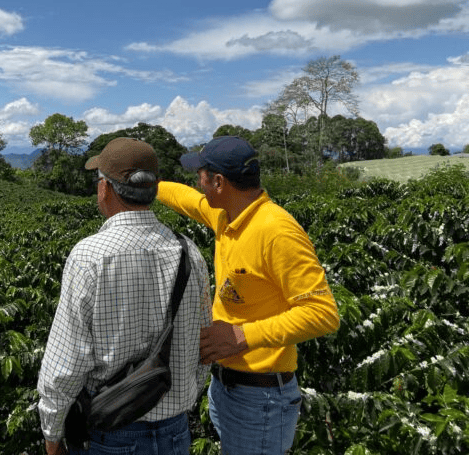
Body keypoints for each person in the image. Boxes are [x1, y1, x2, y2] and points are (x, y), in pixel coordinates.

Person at [156, 136, 340, 455]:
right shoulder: (226, 216)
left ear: (218, 181)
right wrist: (149, 184)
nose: (197, 184)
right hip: (227, 387)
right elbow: (186, 199)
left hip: (261, 400)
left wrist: (242, 336)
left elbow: (323, 313)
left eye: (200, 175)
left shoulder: (275, 231)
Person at [37, 137, 213, 455]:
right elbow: (205, 348)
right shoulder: (190, 252)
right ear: (154, 189)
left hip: (111, 435)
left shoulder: (89, 256)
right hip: (176, 433)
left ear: (105, 189)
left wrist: (52, 433)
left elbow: (64, 365)